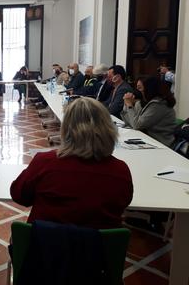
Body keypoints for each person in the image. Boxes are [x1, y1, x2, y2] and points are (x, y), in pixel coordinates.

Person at [11, 97, 133, 229]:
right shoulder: (120, 171)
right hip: (99, 248)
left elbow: (19, 195)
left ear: (66, 128)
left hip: (45, 246)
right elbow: (123, 204)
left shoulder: (45, 162)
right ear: (108, 128)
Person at [121, 76, 176, 147]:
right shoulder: (142, 103)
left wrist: (129, 105)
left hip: (160, 143)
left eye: (140, 87)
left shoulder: (158, 104)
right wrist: (126, 104)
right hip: (147, 140)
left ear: (149, 89)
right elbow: (129, 122)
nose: (137, 91)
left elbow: (136, 125)